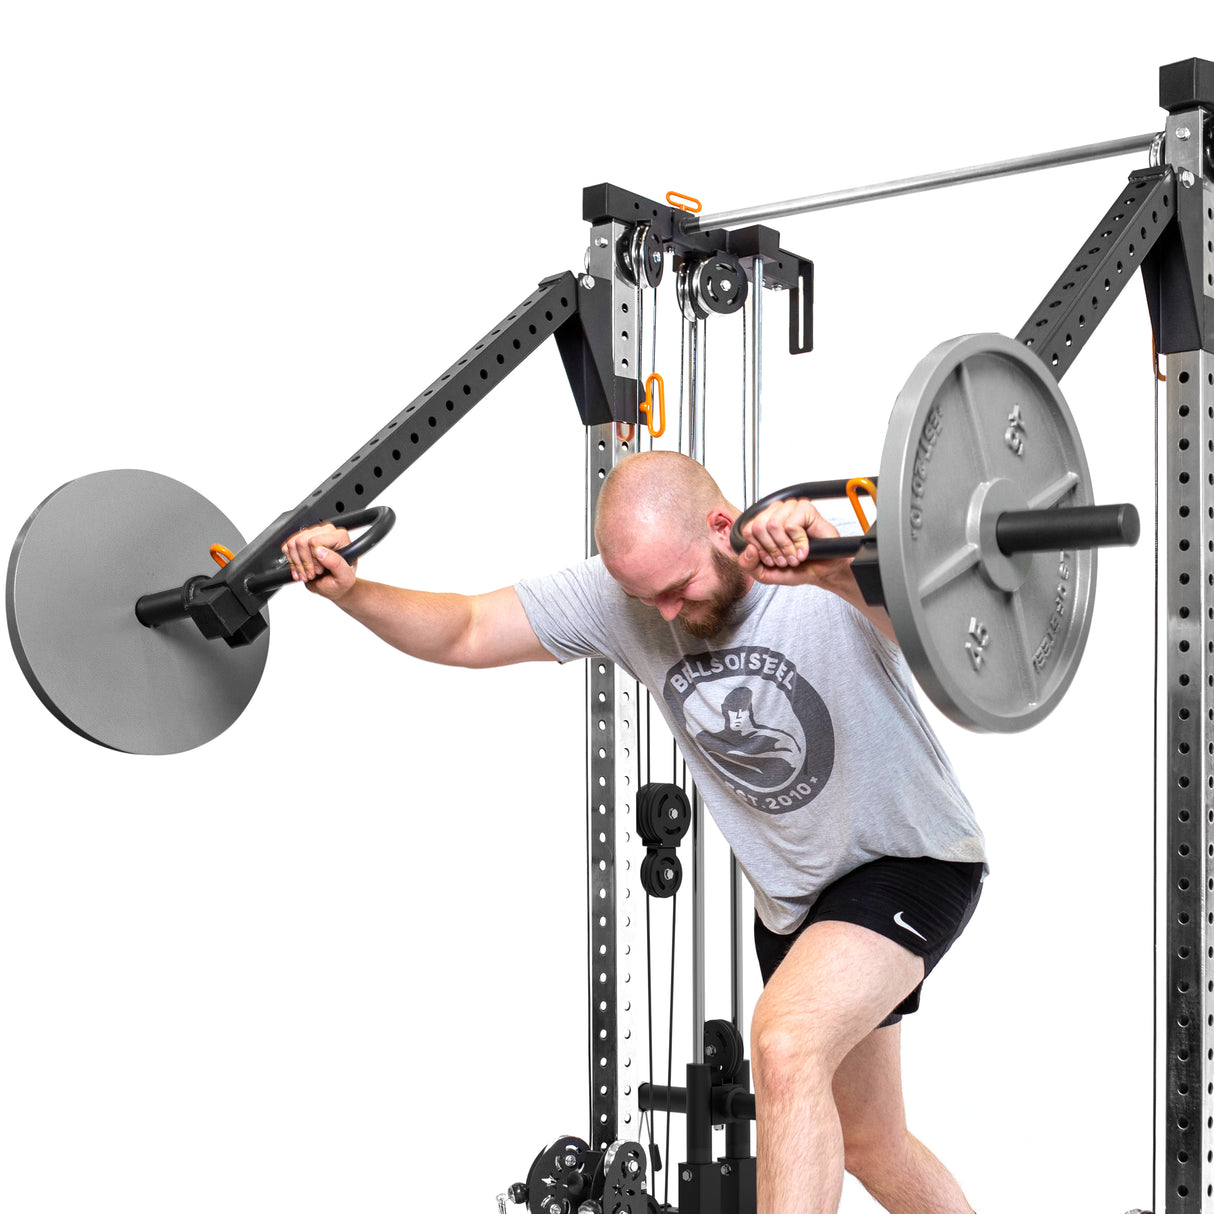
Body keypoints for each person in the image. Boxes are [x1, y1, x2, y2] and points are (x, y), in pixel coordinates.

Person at [281, 449, 986, 1214]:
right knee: (872, 1142)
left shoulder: (821, 573)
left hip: (909, 859)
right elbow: (467, 628)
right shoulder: (634, 596)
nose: (668, 615)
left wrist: (839, 562)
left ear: (722, 526)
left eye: (679, 590)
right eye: (646, 599)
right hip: (794, 905)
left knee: (784, 1045)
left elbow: (931, 633)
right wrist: (352, 594)